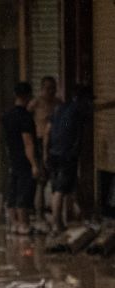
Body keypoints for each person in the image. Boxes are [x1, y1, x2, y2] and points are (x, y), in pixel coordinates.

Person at [46, 84, 92, 233]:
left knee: (66, 186)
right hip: (66, 154)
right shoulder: (79, 109)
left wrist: (47, 152)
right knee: (60, 190)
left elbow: (47, 131)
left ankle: (86, 215)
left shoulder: (60, 108)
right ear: (82, 99)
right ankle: (56, 225)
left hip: (54, 153)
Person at [1, 81, 41, 235]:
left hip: (12, 158)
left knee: (13, 191)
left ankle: (14, 224)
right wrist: (34, 164)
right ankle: (24, 225)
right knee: (24, 192)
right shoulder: (25, 118)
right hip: (24, 159)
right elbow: (28, 143)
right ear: (28, 96)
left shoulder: (7, 116)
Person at [29, 76, 61, 216]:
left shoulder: (58, 103)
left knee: (56, 180)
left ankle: (57, 214)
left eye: (53, 88)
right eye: (48, 88)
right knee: (41, 181)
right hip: (40, 142)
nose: (51, 91)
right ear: (42, 89)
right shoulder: (36, 103)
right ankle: (39, 213)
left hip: (56, 143)